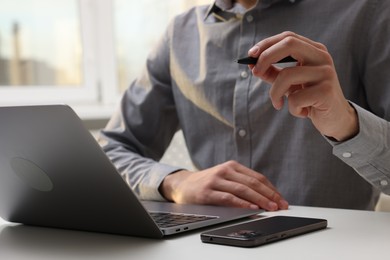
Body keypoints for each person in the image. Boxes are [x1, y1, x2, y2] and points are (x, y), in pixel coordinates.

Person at [98, 0, 390, 211]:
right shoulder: (179, 34)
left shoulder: (370, 12)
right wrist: (175, 183)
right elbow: (111, 151)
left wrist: (347, 124)